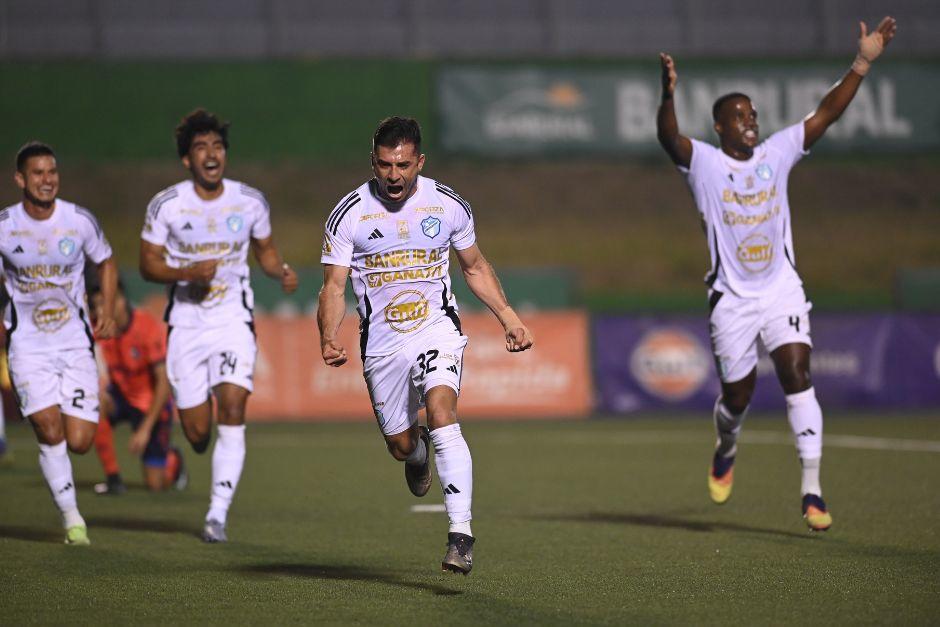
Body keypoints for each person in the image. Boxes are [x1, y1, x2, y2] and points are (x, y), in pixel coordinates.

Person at [656, 17, 897, 531]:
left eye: (753, 113)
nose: (750, 120)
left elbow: (827, 113)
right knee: (738, 397)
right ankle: (726, 446)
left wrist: (862, 62)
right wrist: (668, 96)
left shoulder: (776, 154)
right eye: (739, 115)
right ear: (720, 127)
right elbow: (670, 138)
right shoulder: (705, 164)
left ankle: (812, 490)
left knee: (797, 375)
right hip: (732, 300)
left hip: (780, 290)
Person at [318, 116, 534, 574]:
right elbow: (334, 287)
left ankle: (461, 536)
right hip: (381, 342)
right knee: (401, 444)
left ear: (420, 161)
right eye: (384, 165)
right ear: (372, 163)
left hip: (436, 326)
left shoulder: (447, 203)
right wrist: (328, 335)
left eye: (402, 165)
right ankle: (416, 458)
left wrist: (509, 317)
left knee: (442, 414)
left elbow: (474, 266)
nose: (393, 176)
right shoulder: (350, 212)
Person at [139, 109, 298, 542]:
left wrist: (277, 269)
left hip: (232, 319)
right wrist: (187, 271)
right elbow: (148, 264)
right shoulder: (167, 205)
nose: (211, 154)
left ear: (225, 154)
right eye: (200, 148)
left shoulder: (249, 201)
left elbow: (263, 249)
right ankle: (185, 454)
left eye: (217, 146)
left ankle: (217, 514)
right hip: (187, 325)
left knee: (232, 408)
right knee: (197, 433)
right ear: (187, 160)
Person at [1, 141, 118, 544]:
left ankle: (68, 497)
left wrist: (105, 304)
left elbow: (105, 260)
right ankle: (73, 521)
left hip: (73, 343)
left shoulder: (79, 221)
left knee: (81, 441)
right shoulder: (5, 225)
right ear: (21, 179)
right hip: (27, 346)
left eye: (52, 172)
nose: (47, 180)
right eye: (38, 173)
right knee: (50, 432)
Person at [88, 279, 187, 494]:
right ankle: (113, 478)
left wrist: (144, 429)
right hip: (121, 397)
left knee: (156, 485)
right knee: (93, 404)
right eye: (95, 306)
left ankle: (173, 460)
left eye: (102, 304)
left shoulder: (147, 327)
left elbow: (163, 382)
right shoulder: (98, 327)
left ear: (120, 301)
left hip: (152, 406)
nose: (98, 311)